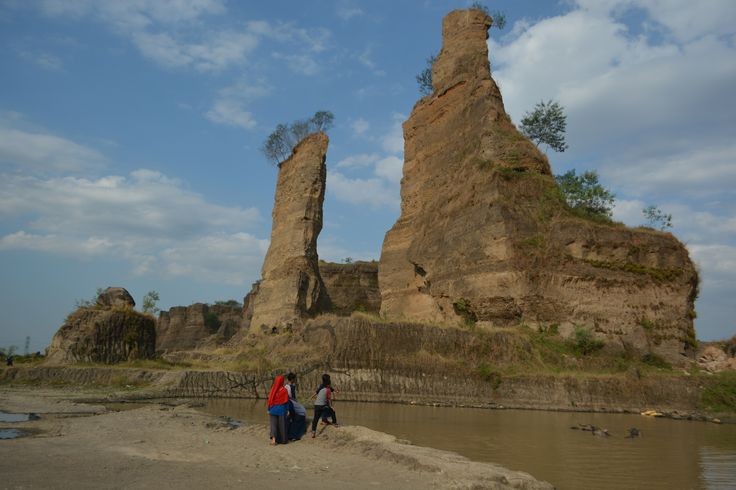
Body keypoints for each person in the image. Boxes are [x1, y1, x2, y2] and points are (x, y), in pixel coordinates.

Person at [310, 373, 338, 438]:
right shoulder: (328, 389)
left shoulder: (322, 386)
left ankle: (313, 432)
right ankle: (335, 423)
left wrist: (311, 396)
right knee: (332, 411)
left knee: (315, 419)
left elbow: (317, 392)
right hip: (322, 406)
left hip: (316, 405)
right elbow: (329, 399)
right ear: (328, 384)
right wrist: (331, 407)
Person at [266, 375, 289, 445]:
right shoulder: (284, 390)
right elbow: (286, 401)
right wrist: (287, 410)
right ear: (282, 381)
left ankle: (273, 440)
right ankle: (283, 440)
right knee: (282, 425)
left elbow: (270, 400)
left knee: (273, 425)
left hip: (273, 409)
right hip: (281, 410)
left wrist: (268, 409)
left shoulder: (273, 389)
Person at [285, 372, 306, 441]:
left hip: (287, 404)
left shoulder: (285, 386)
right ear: (292, 379)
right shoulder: (291, 387)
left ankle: (288, 435)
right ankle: (295, 435)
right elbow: (292, 397)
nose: (295, 380)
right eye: (294, 379)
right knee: (302, 414)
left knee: (291, 418)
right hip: (290, 403)